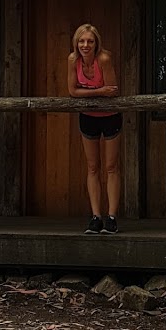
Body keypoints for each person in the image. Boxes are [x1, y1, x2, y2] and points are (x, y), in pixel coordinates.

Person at [67, 23, 122, 234]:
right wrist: (98, 91)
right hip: (88, 117)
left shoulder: (104, 60)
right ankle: (96, 216)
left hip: (110, 117)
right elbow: (72, 91)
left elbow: (113, 92)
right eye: (81, 41)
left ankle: (111, 217)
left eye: (90, 41)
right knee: (92, 167)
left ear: (96, 42)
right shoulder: (73, 60)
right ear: (76, 43)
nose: (85, 45)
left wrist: (87, 91)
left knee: (111, 166)